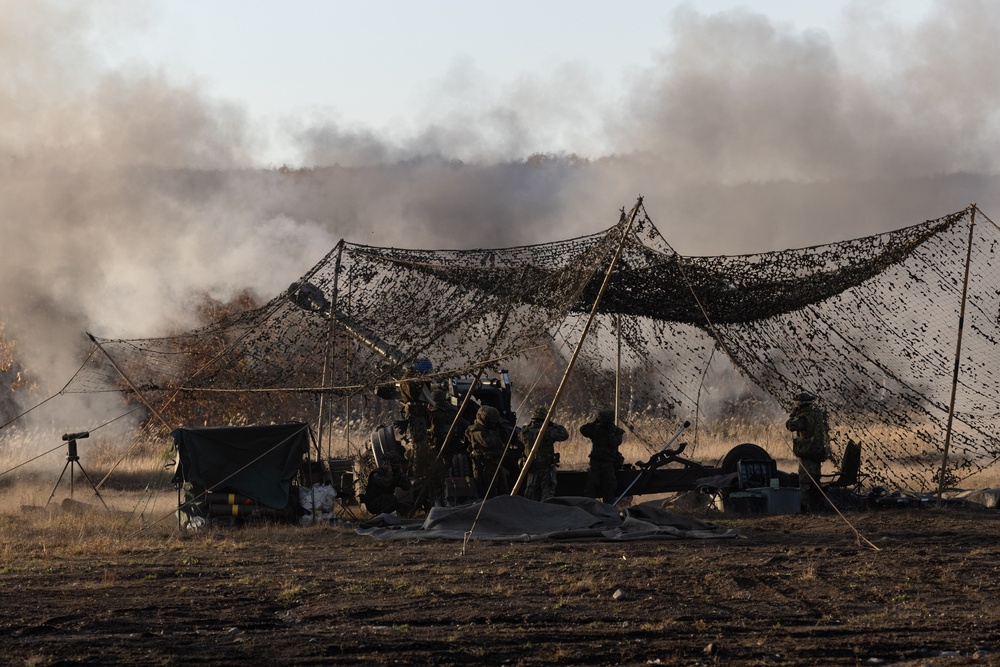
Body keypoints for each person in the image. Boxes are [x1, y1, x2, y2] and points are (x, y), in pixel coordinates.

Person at [785, 392, 830, 513]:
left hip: (808, 453)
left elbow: (790, 426)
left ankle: (806, 509)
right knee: (815, 481)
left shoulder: (804, 417)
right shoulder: (818, 415)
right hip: (818, 453)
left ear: (799, 405)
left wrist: (792, 415)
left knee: (805, 483)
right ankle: (817, 507)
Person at [398, 358, 433, 508]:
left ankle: (417, 466)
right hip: (415, 415)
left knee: (423, 443)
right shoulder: (408, 380)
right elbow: (413, 394)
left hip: (422, 414)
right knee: (420, 444)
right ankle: (416, 472)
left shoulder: (417, 377)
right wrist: (420, 381)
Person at [518, 405, 569, 502]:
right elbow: (564, 435)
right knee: (548, 495)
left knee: (530, 494)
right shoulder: (548, 431)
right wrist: (552, 424)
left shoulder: (524, 432)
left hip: (531, 468)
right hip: (546, 467)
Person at [580, 408, 625, 504]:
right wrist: (596, 422)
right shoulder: (596, 428)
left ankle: (607, 509)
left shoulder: (615, 431)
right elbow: (583, 430)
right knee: (591, 487)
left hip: (608, 463)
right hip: (596, 462)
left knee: (609, 488)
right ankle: (590, 507)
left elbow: (615, 443)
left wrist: (610, 432)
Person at [466, 405, 510, 498]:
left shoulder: (491, 429)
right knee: (488, 493)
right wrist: (495, 431)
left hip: (496, 463)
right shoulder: (476, 430)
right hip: (484, 465)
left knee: (504, 491)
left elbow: (505, 439)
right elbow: (489, 442)